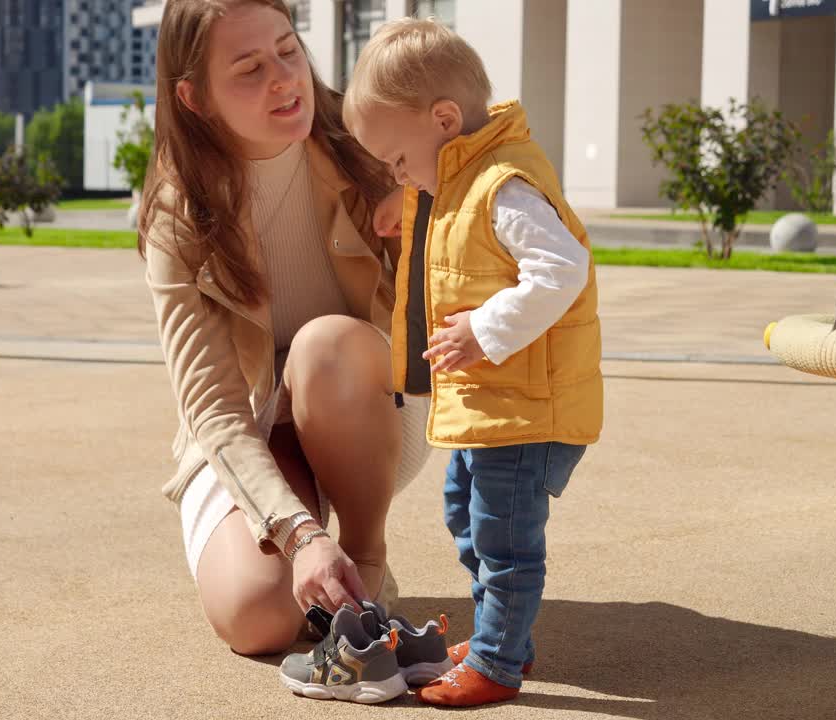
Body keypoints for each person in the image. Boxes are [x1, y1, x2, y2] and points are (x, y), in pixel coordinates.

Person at [138, 0, 432, 657]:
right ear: (195, 98)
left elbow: (489, 163)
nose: (283, 78)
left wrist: (423, 216)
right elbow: (213, 407)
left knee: (325, 344)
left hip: (364, 402)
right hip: (250, 425)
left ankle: (365, 558)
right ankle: (319, 555)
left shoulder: (368, 138)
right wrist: (299, 535)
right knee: (256, 619)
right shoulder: (176, 212)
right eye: (248, 68)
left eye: (288, 50)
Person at [343, 18, 604, 706]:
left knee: (505, 538)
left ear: (445, 120)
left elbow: (561, 268)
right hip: (489, 404)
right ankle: (500, 635)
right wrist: (413, 209)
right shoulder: (464, 179)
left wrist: (485, 332)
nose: (398, 175)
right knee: (467, 515)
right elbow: (465, 244)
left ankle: (497, 660)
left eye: (398, 161)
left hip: (522, 407)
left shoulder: (506, 183)